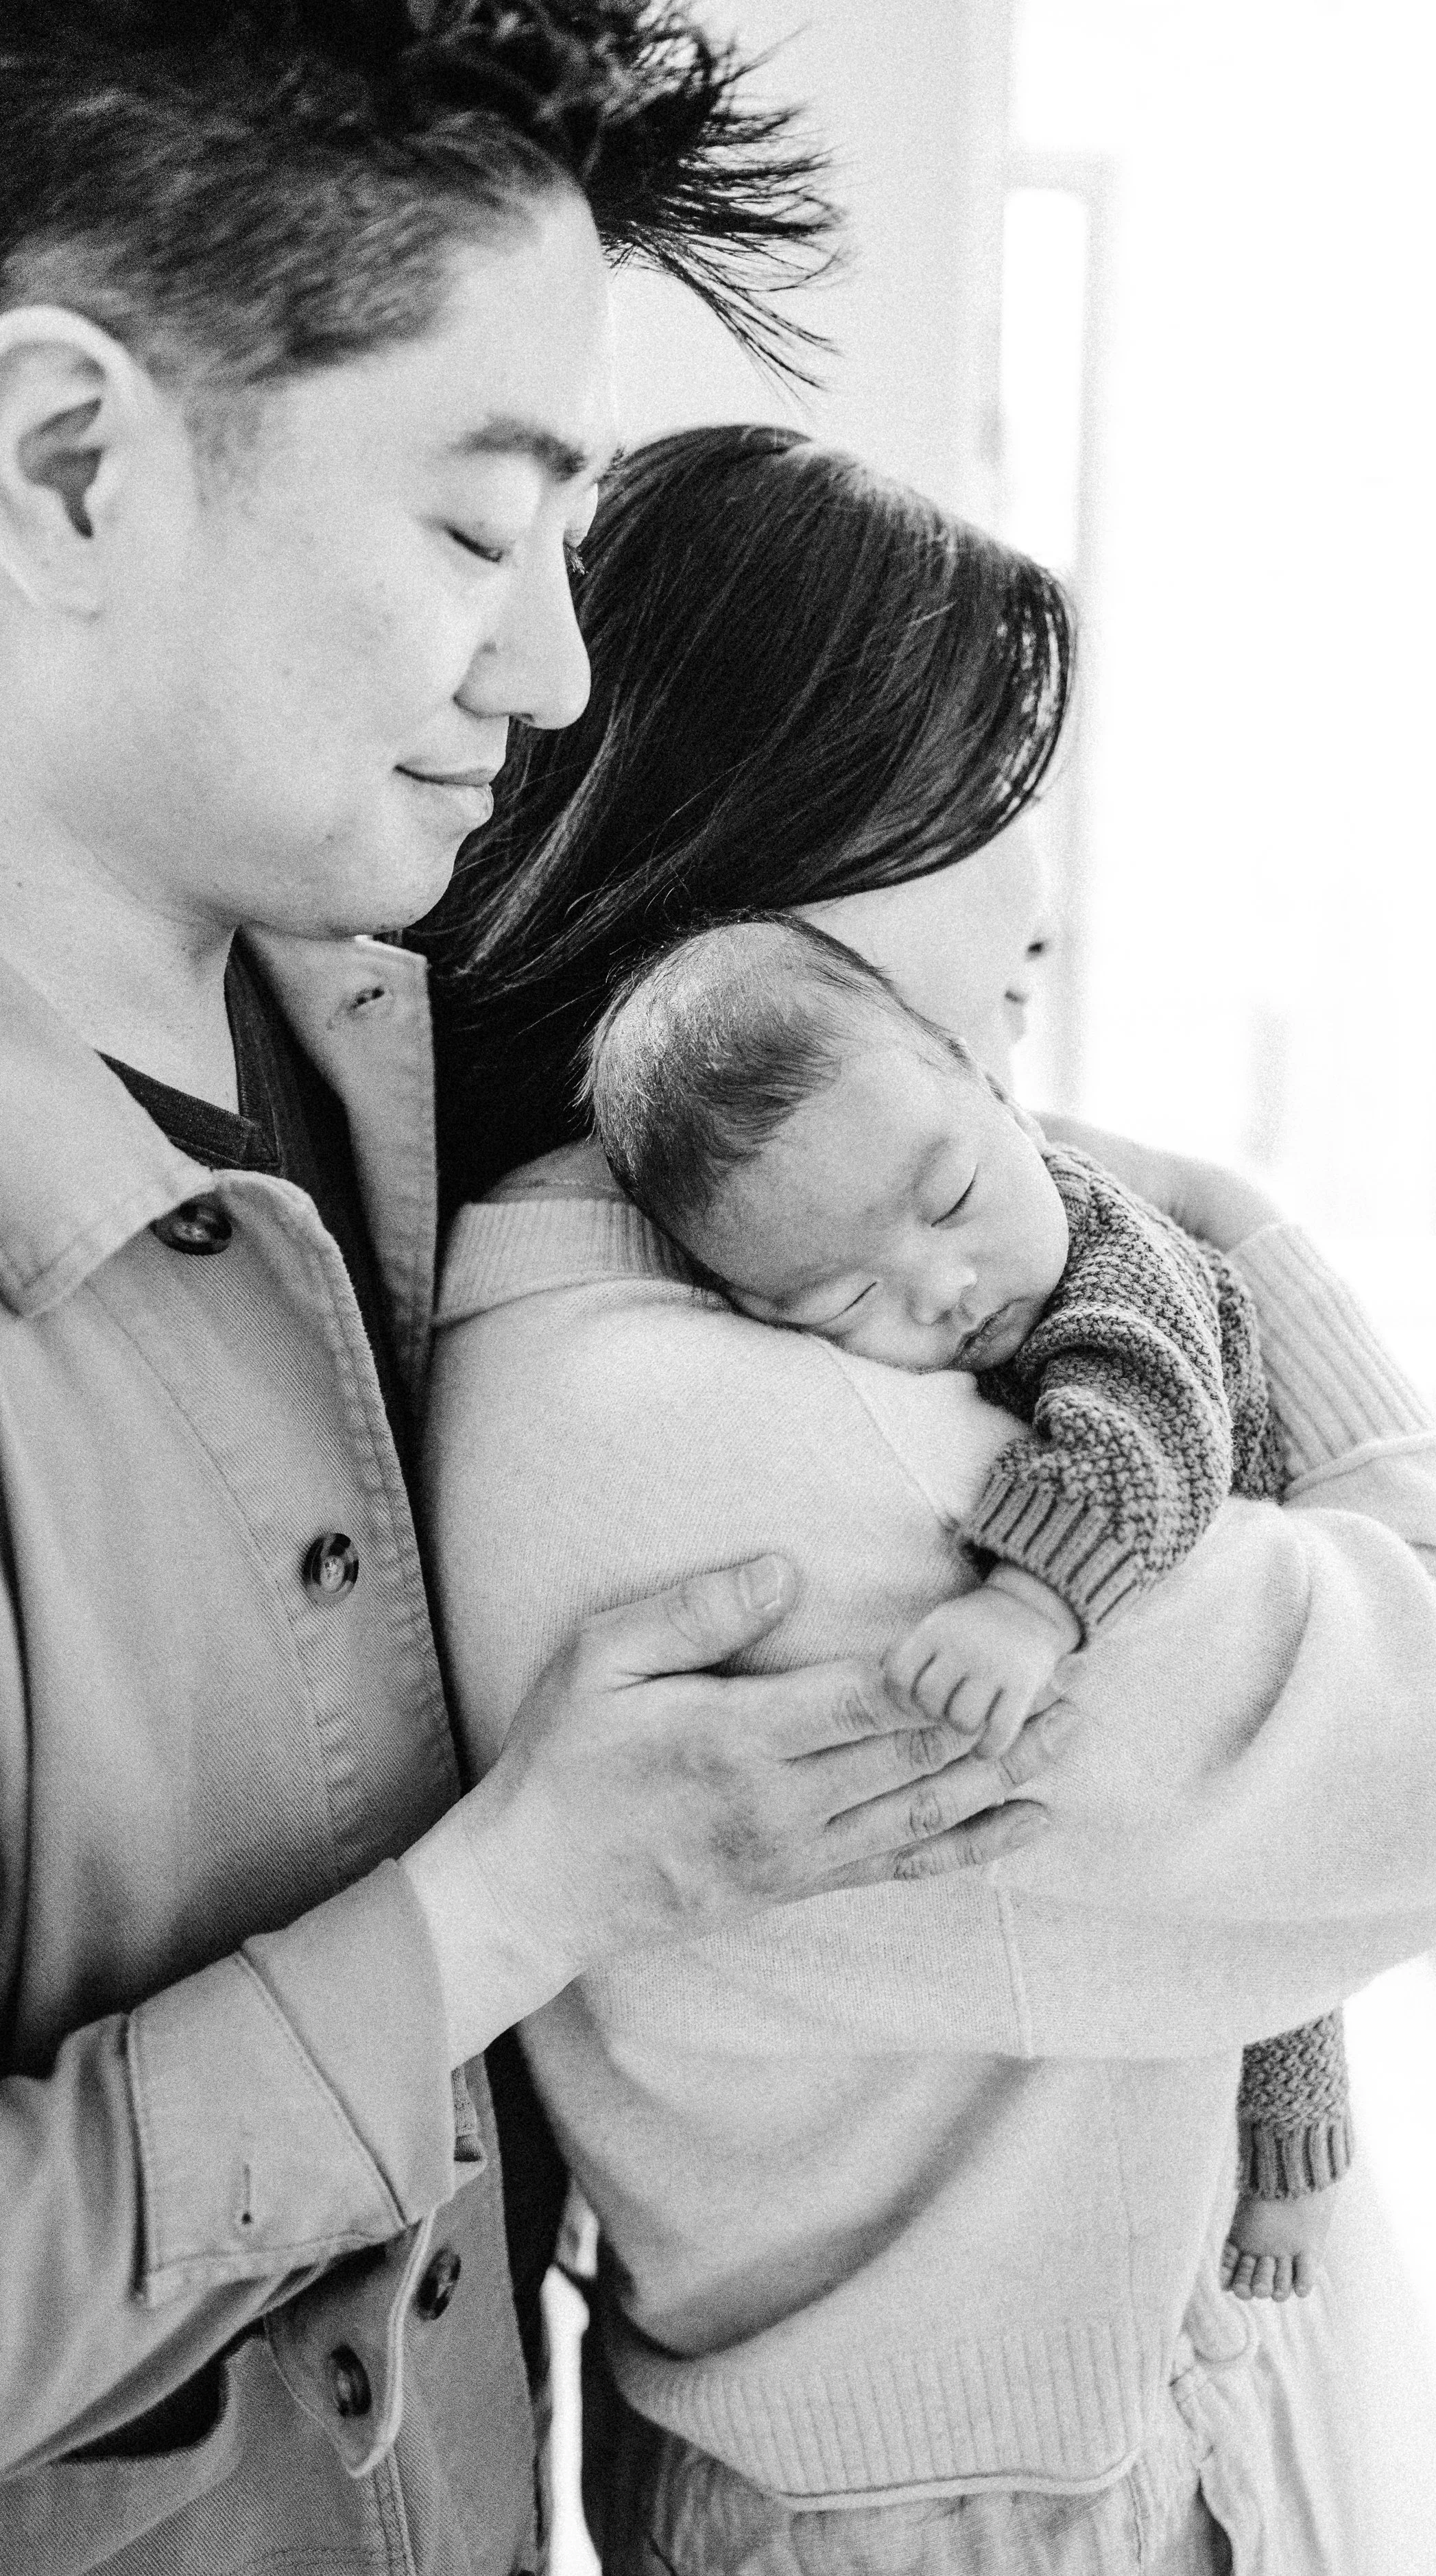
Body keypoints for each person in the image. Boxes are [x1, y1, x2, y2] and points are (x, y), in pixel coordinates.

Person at [0, 16, 1065, 2573]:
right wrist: (505, 1903)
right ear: (65, 461)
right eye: (482, 535)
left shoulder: (389, 1058)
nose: (553, 672)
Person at [418, 423, 1436, 2573]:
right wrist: (1242, 1238)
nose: (1037, 888)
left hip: (935, 2440)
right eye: (976, 811)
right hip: (966, 2496)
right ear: (777, 858)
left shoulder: (687, 1307)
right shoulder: (737, 1434)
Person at [584, 909, 1352, 2300]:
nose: (941, 1289)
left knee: (1289, 1979)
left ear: (990, 1085)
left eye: (948, 1203)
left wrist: (1026, 1606)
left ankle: (1299, 2182)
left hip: (1270, 1623)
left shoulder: (1124, 1264)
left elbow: (1147, 1425)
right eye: (839, 1298)